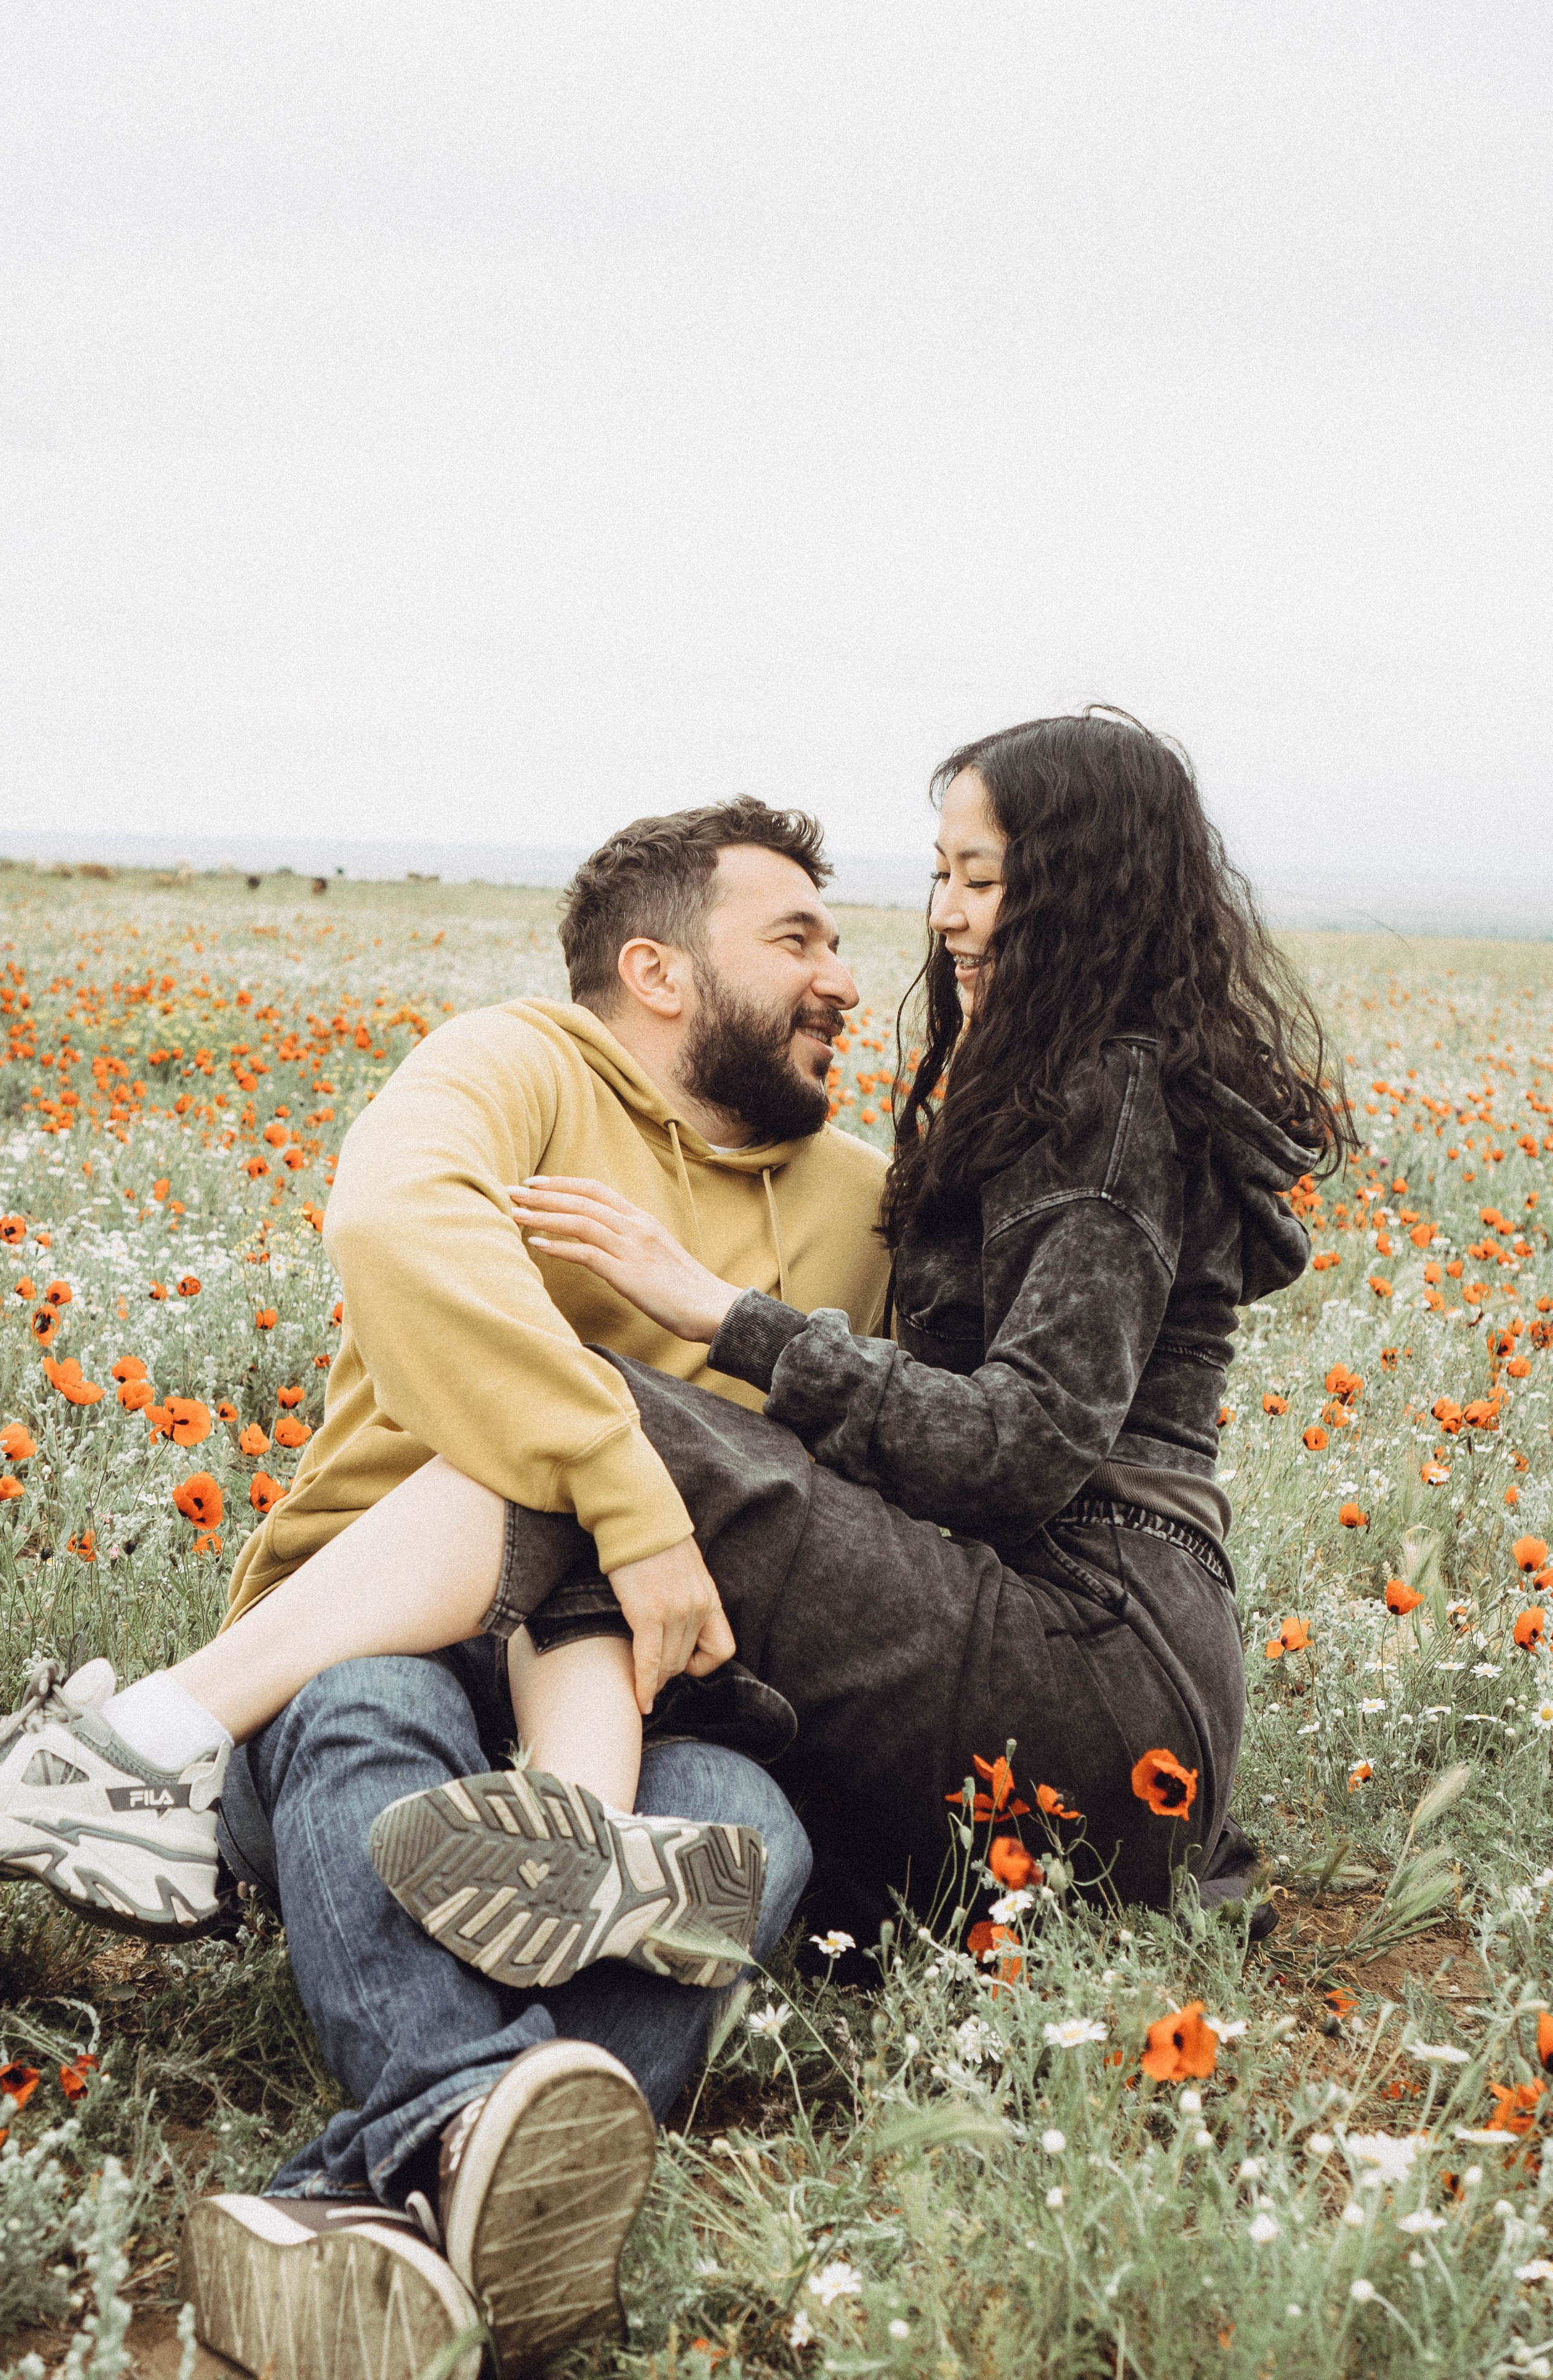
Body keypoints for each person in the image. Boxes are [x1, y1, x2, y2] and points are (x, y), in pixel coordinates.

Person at [0, 798, 886, 2379]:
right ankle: (470, 2148)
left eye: (838, 941)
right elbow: (393, 1217)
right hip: (383, 1615)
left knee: (744, 1827)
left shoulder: (857, 1199)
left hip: (654, 1690)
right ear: (658, 971)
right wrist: (620, 1487)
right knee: (366, 1714)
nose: (842, 978)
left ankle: (409, 2191)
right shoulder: (514, 1065)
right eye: (794, 939)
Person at [354, 708, 1352, 1962]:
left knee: (602, 1408)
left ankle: (181, 1734)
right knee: (602, 1470)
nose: (944, 915)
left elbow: (1015, 1448)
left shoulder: (1110, 1101)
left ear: (1084, 884)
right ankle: (584, 1842)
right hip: (1069, 1657)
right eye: (940, 875)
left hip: (1095, 1660)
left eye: (980, 878)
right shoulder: (1070, 1094)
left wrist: (723, 1315)